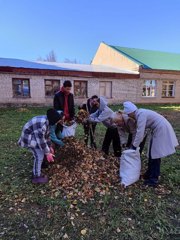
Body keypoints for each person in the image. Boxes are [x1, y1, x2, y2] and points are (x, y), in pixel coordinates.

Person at [123, 101, 179, 187]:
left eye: (128, 114)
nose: (129, 116)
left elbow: (140, 132)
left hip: (160, 129)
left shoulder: (140, 114)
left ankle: (153, 179)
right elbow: (143, 131)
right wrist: (137, 143)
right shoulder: (140, 113)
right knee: (151, 153)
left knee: (155, 155)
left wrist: (134, 146)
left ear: (130, 112)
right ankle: (149, 174)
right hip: (158, 129)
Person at [18, 109, 63, 184]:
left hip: (34, 136)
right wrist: (48, 153)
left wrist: (49, 146)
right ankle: (36, 177)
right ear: (53, 120)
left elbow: (47, 136)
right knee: (39, 156)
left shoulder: (47, 121)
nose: (57, 123)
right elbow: (41, 141)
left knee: (41, 153)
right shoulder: (42, 124)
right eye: (57, 121)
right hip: (29, 138)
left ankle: (36, 172)